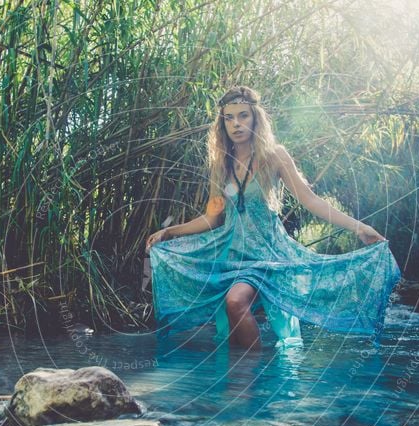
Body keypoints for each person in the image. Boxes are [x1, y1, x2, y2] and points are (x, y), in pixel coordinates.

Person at [145, 85, 402, 351]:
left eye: (243, 115)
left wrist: (359, 227)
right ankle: (245, 383)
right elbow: (212, 218)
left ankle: (250, 376)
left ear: (256, 117)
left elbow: (310, 200)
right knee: (232, 330)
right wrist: (170, 231)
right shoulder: (221, 163)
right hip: (231, 254)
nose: (236, 124)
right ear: (222, 125)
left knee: (235, 302)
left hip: (267, 253)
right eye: (229, 118)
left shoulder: (274, 156)